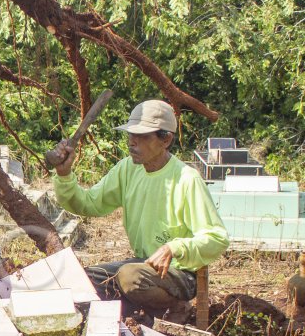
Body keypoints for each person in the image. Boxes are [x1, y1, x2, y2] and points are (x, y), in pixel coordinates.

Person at [51, 99, 229, 315]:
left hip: (180, 272)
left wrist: (174, 248)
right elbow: (88, 203)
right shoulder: (128, 169)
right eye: (131, 135)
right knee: (84, 281)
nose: (132, 142)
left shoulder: (186, 179)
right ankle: (134, 310)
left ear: (166, 139)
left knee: (130, 277)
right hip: (141, 265)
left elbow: (217, 238)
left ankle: (174, 307)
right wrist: (64, 174)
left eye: (142, 136)